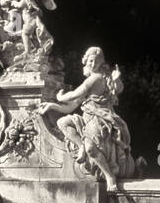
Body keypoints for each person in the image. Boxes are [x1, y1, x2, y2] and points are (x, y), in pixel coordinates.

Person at [40, 47, 134, 193]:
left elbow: (74, 95)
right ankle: (81, 146)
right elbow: (71, 107)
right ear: (86, 61)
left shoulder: (96, 78)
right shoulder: (96, 81)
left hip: (101, 120)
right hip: (88, 120)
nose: (93, 63)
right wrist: (52, 105)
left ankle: (110, 177)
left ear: (101, 62)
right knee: (62, 122)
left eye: (96, 60)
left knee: (91, 148)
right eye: (91, 60)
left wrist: (59, 98)